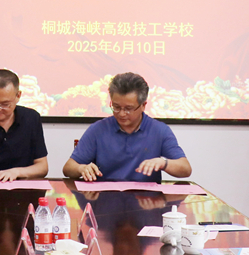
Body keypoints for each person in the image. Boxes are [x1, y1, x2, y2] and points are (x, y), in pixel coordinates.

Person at [63, 72, 192, 182]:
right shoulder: (98, 130)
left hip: (146, 200)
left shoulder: (159, 131)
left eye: (128, 108)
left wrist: (163, 163)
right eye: (116, 107)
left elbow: (185, 169)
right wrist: (81, 168)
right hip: (105, 198)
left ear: (143, 105)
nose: (121, 113)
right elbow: (68, 168)